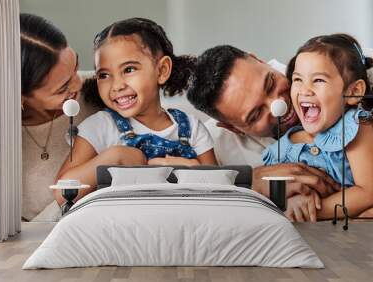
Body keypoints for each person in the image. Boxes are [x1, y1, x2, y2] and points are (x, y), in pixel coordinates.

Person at [54, 18, 217, 206]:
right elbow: (61, 194)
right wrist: (114, 157)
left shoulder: (191, 127)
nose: (117, 85)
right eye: (104, 75)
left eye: (129, 69)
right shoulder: (100, 126)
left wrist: (190, 167)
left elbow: (219, 189)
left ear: (162, 70)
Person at [186, 45, 346, 221]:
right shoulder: (209, 143)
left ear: (259, 60)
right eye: (256, 114)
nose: (279, 105)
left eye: (270, 84)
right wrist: (247, 181)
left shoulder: (345, 71)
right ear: (232, 128)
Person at [262, 34, 373, 222]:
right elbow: (276, 203)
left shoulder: (355, 126)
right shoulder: (279, 153)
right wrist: (293, 203)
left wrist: (310, 212)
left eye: (318, 80)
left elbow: (368, 191)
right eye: (298, 80)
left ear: (353, 92)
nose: (305, 90)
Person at [20, 13, 97, 221]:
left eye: (76, 67)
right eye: (63, 88)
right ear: (19, 97)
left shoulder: (102, 92)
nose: (78, 84)